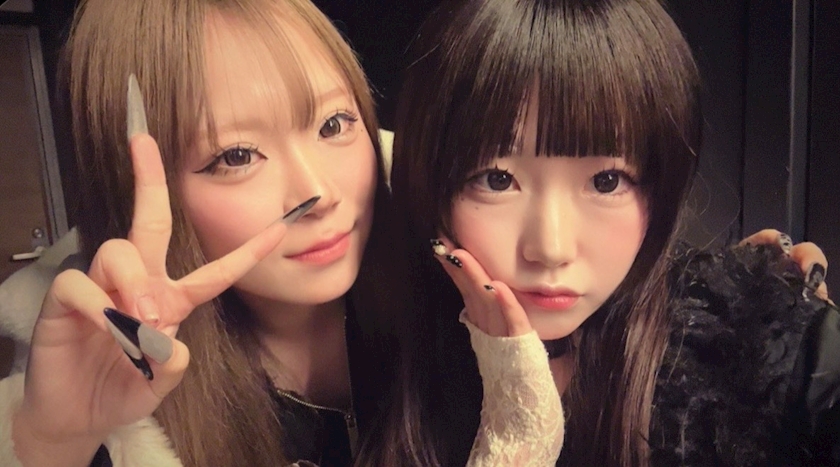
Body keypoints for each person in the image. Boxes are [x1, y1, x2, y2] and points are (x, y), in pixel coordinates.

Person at [0, 0, 566, 465]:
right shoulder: (115, 402)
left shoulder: (468, 293)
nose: (318, 192)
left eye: (333, 124)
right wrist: (53, 447)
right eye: (237, 156)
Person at [387, 0, 840, 465]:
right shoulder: (381, 353)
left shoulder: (763, 356)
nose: (551, 248)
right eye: (497, 180)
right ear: (431, 184)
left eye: (606, 181)